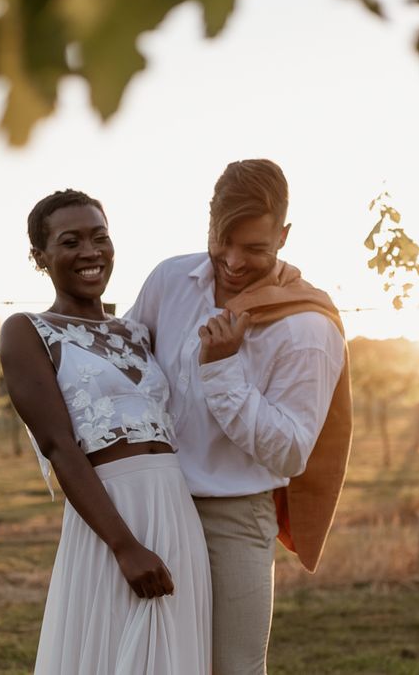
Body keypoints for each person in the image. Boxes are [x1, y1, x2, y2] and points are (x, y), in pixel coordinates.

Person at [127, 159, 353, 675]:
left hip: (234, 517)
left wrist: (223, 371)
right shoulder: (170, 280)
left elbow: (292, 452)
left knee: (233, 668)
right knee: (154, 661)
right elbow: (128, 370)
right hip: (155, 505)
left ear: (284, 236)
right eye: (222, 240)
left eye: (254, 248)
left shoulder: (307, 328)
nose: (231, 261)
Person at [0, 189, 211, 675]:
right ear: (41, 257)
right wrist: (124, 545)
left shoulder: (137, 332)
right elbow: (58, 446)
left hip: (175, 509)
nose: (90, 252)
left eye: (100, 237)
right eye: (70, 241)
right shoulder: (27, 331)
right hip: (109, 516)